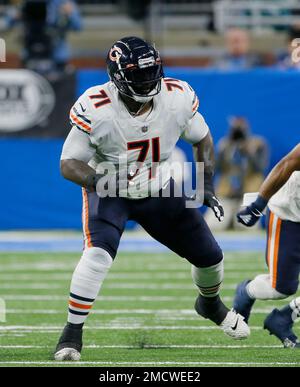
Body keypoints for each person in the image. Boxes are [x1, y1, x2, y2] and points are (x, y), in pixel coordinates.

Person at [54, 36, 250, 361]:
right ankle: (72, 332)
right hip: (110, 190)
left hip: (158, 186)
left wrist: (205, 183)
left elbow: (202, 138)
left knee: (211, 257)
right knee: (97, 256)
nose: (147, 83)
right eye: (138, 77)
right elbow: (68, 164)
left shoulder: (175, 97)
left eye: (151, 74)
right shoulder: (98, 107)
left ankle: (210, 304)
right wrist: (98, 179)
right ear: (117, 77)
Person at [234, 143, 300, 348]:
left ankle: (284, 318)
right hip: (290, 213)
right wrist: (257, 206)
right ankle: (247, 291)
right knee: (280, 288)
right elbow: (287, 163)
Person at [205, 117, 268, 231]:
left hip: (248, 195)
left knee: (247, 227)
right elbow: (215, 169)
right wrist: (223, 150)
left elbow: (260, 168)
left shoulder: (258, 144)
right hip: (227, 194)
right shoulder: (224, 145)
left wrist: (250, 153)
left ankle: (233, 222)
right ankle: (229, 222)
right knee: (212, 225)